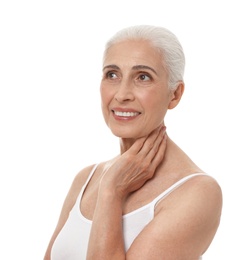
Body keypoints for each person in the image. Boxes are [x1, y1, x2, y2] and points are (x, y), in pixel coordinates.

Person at [43, 25, 222, 260]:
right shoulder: (85, 179)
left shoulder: (196, 192)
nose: (122, 94)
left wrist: (111, 192)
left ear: (175, 94)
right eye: (112, 75)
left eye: (143, 77)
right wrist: (109, 181)